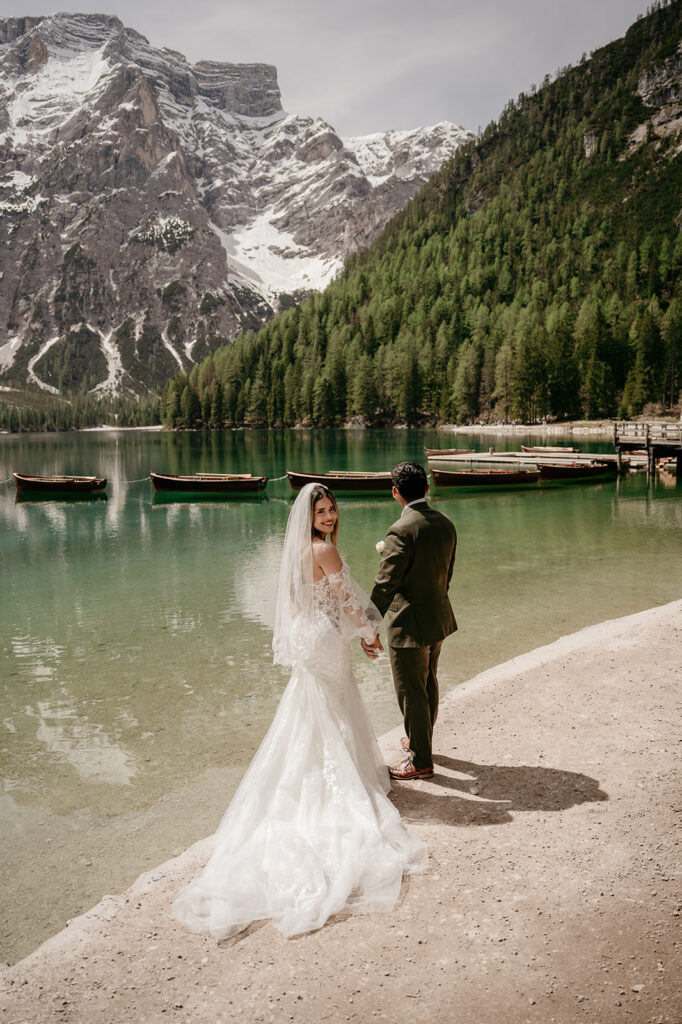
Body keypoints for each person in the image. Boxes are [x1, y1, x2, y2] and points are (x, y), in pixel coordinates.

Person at [172, 482, 426, 940]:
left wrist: (321, 631)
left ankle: (309, 775)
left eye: (331, 509)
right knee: (334, 707)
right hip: (326, 641)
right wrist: (370, 635)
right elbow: (349, 602)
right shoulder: (323, 552)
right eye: (322, 511)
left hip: (310, 640)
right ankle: (345, 781)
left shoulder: (293, 553)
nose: (329, 517)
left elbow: (294, 603)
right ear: (308, 516)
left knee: (312, 710)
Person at [362, 462, 457, 781]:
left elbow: (385, 584)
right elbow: (447, 574)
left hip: (408, 624)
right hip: (438, 617)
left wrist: (368, 626)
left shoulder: (400, 530)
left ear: (395, 492)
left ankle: (420, 761)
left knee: (411, 691)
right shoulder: (445, 523)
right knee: (428, 682)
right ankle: (420, 742)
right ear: (427, 489)